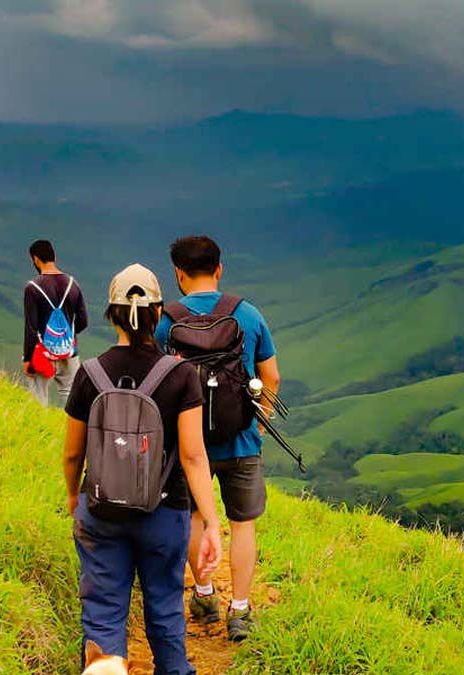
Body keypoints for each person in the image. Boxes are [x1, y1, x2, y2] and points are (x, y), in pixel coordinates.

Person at [63, 264, 223, 673]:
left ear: (112, 314)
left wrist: (73, 495)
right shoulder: (180, 375)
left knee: (102, 611)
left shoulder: (89, 374)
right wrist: (210, 522)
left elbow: (71, 454)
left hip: (100, 511)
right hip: (164, 513)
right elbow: (193, 456)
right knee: (165, 609)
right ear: (158, 314)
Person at [155, 236, 279, 642]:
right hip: (241, 441)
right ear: (219, 268)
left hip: (188, 447)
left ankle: (204, 595)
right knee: (242, 525)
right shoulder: (248, 314)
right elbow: (271, 377)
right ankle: (240, 610)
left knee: (193, 518)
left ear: (178, 273)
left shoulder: (166, 322)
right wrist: (257, 421)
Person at [23, 239, 89, 407]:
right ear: (54, 256)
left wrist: (28, 358)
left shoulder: (32, 287)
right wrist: (66, 337)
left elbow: (31, 327)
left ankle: (40, 432)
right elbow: (83, 321)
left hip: (42, 354)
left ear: (35, 259)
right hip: (70, 352)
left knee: (38, 400)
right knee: (71, 400)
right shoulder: (73, 284)